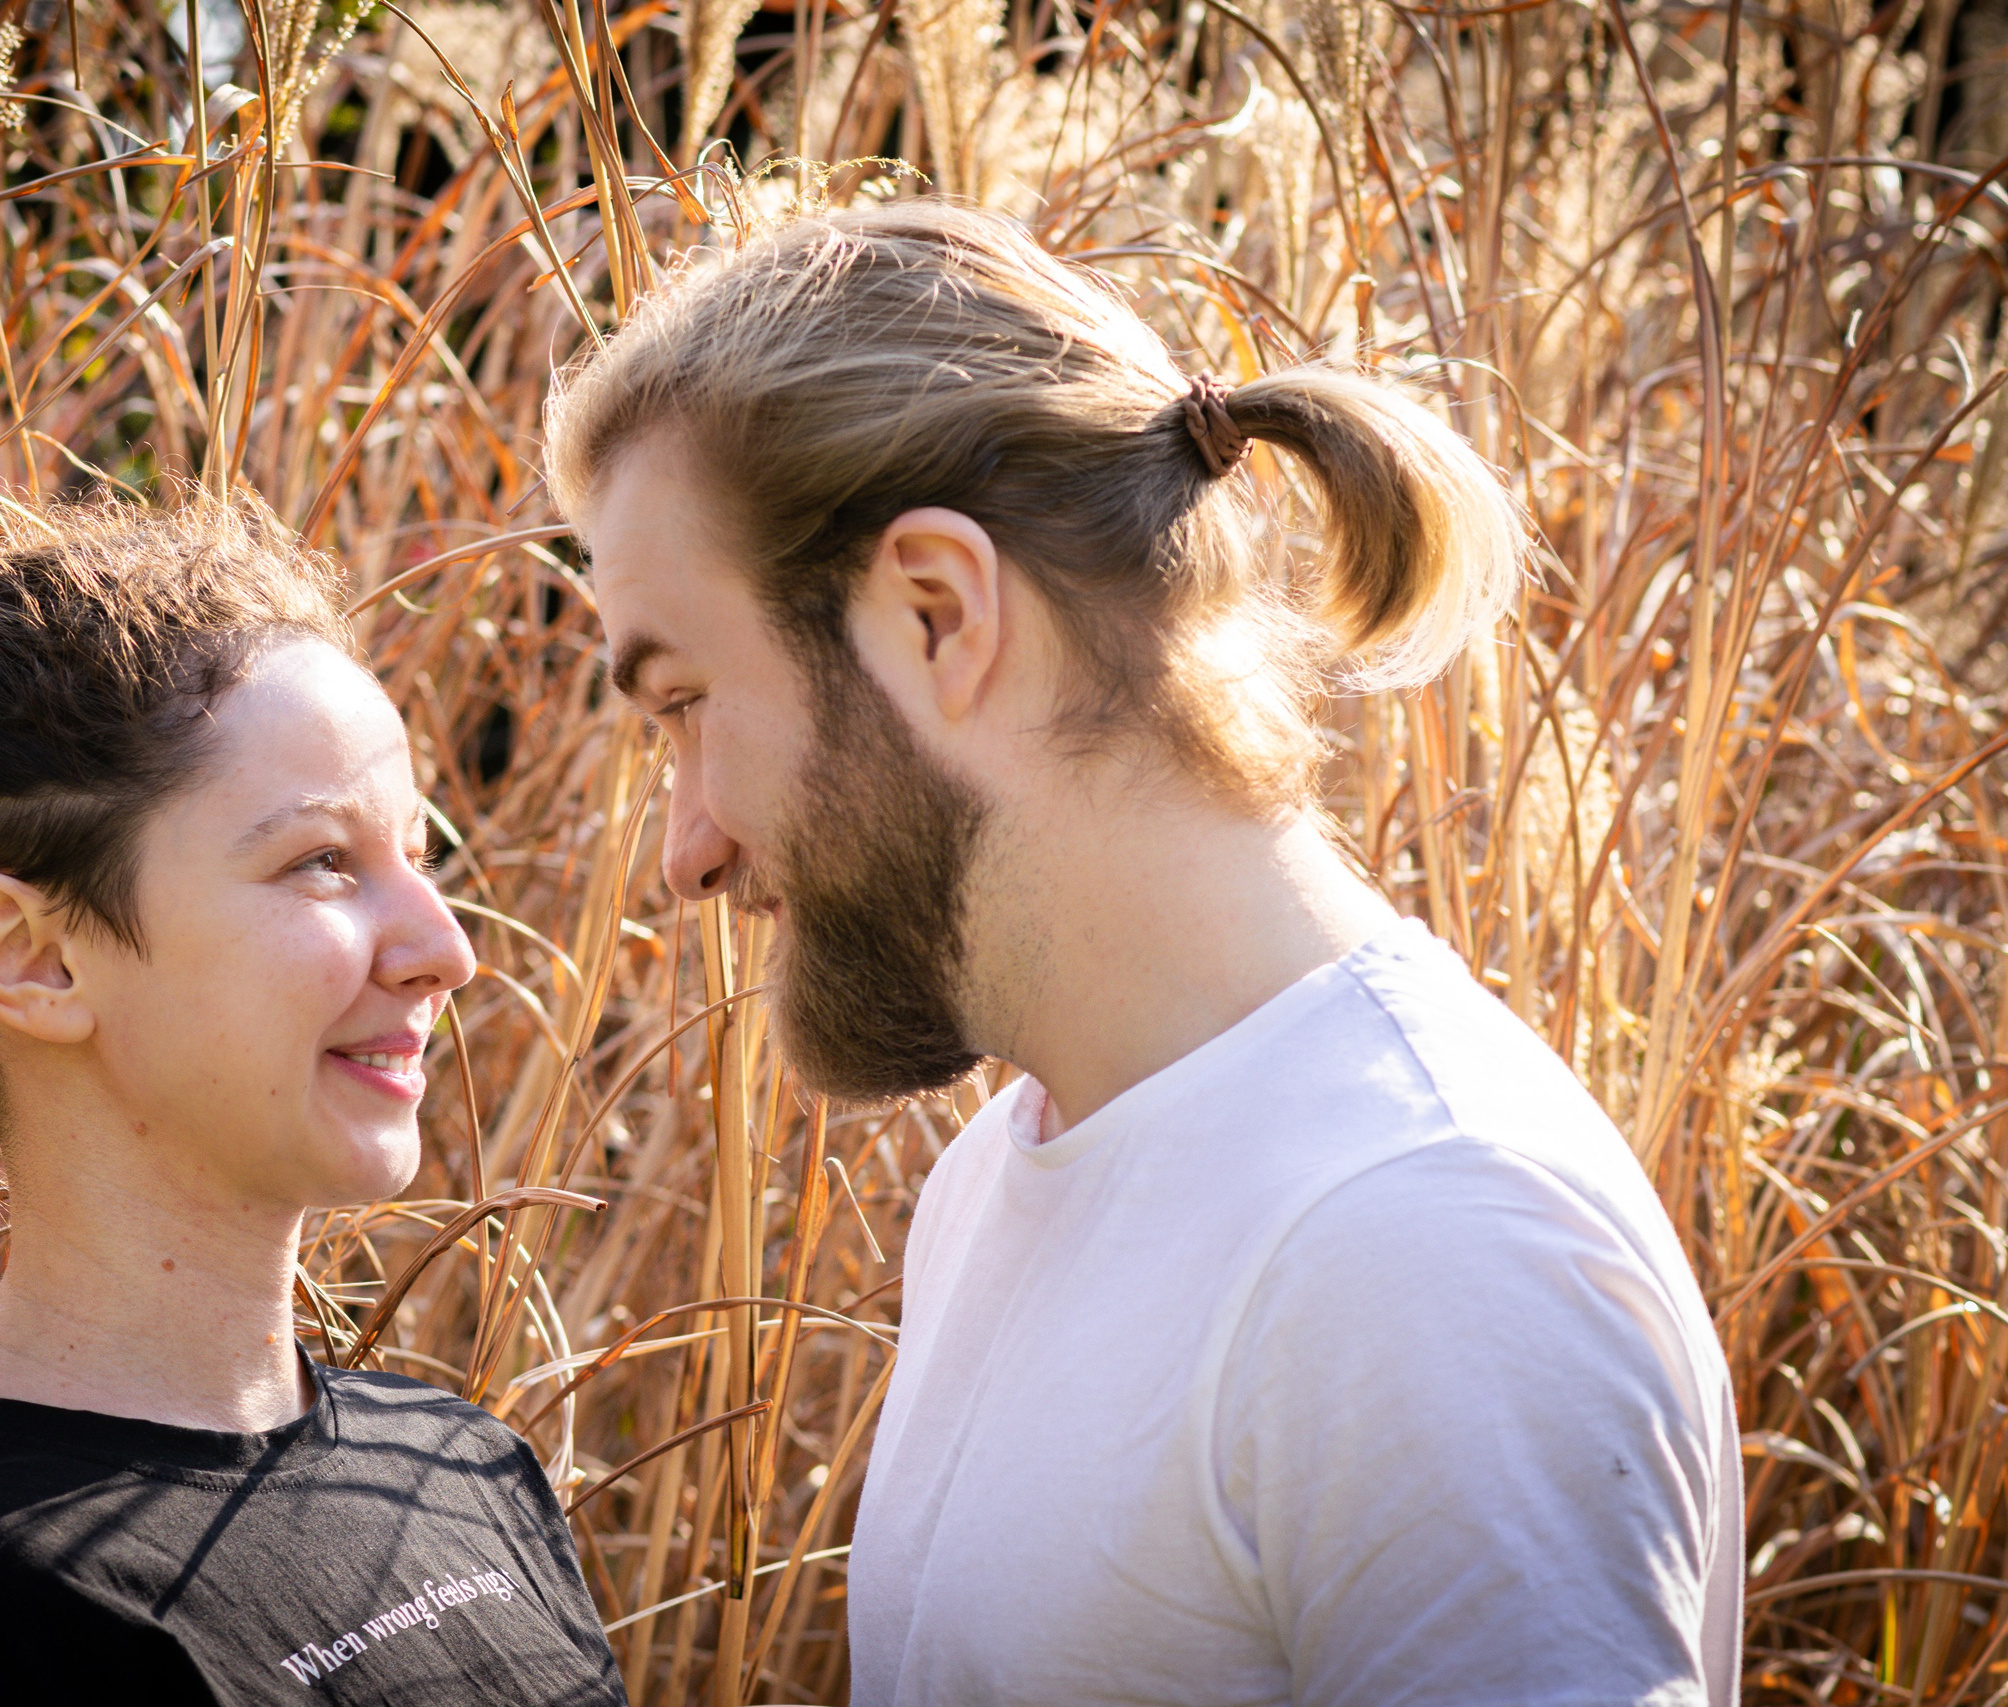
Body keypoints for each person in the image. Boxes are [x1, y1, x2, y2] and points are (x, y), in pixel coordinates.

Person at [547, 202, 1740, 1705]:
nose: (686, 845)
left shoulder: (1419, 1246)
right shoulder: (1006, 1170)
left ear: (937, 613)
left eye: (685, 703)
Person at [0, 501, 625, 1706]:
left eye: (419, 855)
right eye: (322, 862)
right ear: (33, 957)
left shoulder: (462, 1464)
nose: (446, 950)